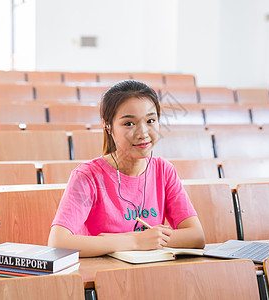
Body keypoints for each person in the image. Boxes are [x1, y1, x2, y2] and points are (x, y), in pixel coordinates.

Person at [48, 80, 205, 257]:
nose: (143, 133)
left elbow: (196, 236)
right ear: (107, 125)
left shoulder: (164, 171)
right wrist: (136, 241)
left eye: (151, 120)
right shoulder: (87, 176)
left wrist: (146, 239)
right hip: (104, 276)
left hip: (151, 272)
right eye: (129, 123)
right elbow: (58, 243)